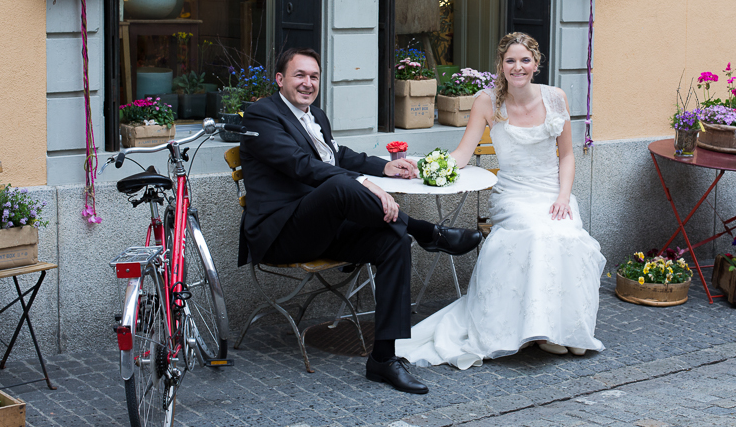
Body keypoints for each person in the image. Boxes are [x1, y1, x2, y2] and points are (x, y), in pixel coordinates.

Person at [238, 48, 483, 393]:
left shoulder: (316, 116)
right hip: (282, 234)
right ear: (280, 79)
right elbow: (300, 165)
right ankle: (429, 232)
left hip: (323, 228)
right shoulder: (261, 115)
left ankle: (383, 359)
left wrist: (382, 167)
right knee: (341, 184)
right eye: (299, 75)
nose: (308, 83)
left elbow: (338, 155)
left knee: (393, 240)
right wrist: (362, 183)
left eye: (314, 77)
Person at [396, 32, 606, 370]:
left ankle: (570, 329)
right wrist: (426, 166)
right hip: (514, 195)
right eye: (511, 60)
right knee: (537, 233)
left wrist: (564, 197)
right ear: (501, 64)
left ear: (536, 64)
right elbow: (463, 154)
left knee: (568, 236)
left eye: (525, 60)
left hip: (552, 193)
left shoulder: (556, 98)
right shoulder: (486, 101)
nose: (518, 67)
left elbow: (567, 156)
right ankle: (543, 333)